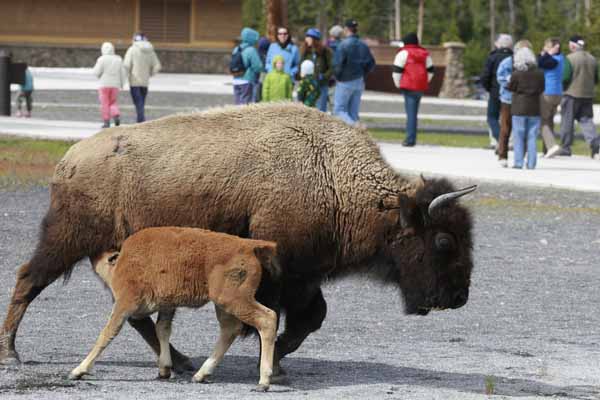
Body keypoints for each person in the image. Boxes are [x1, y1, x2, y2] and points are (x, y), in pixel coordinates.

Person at [558, 35, 600, 159]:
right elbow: (597, 78)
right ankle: (595, 144)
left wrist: (562, 87)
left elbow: (565, 77)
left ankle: (566, 147)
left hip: (571, 94)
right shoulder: (593, 59)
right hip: (587, 95)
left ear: (572, 45)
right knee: (586, 121)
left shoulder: (569, 58)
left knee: (567, 121)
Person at [392, 32, 434, 147]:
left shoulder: (403, 53)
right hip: (420, 87)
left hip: (408, 86)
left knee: (411, 114)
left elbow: (396, 71)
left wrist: (397, 84)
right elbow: (431, 70)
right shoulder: (425, 54)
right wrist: (425, 81)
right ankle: (411, 137)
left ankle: (410, 139)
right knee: (414, 113)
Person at [506, 47, 545, 169]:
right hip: (534, 108)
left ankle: (518, 162)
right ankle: (532, 163)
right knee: (532, 137)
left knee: (518, 136)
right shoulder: (540, 73)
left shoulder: (516, 74)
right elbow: (542, 89)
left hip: (519, 108)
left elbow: (511, 88)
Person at [333, 19, 375, 126]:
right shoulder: (363, 45)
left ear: (346, 29)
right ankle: (356, 137)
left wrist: (336, 77)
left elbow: (337, 64)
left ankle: (356, 127)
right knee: (353, 113)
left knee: (339, 110)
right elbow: (371, 63)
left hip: (345, 81)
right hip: (359, 81)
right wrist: (363, 74)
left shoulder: (343, 45)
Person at [496, 40, 531, 167]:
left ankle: (521, 155)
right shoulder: (507, 62)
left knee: (522, 129)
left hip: (523, 100)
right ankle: (502, 155)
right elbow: (500, 78)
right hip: (508, 99)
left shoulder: (530, 65)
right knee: (505, 128)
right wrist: (512, 84)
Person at [480, 34, 513, 150]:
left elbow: (485, 76)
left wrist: (489, 88)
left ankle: (501, 140)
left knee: (492, 117)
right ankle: (506, 141)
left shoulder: (493, 57)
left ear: (498, 44)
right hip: (511, 92)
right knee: (508, 118)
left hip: (495, 92)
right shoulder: (514, 57)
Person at [123, 33, 161, 123]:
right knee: (141, 103)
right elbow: (157, 66)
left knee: (138, 103)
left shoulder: (132, 50)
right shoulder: (150, 51)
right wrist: (150, 74)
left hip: (134, 81)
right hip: (145, 82)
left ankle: (141, 120)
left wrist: (125, 76)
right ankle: (140, 119)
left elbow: (126, 65)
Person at [537, 38, 564, 158]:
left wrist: (547, 53)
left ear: (555, 47)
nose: (545, 49)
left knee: (542, 121)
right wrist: (545, 53)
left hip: (548, 93)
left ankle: (552, 145)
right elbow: (541, 60)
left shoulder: (554, 60)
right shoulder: (561, 58)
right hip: (557, 93)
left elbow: (539, 63)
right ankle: (547, 150)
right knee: (549, 121)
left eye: (547, 46)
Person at [93, 42, 127, 128]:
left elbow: (96, 72)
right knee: (113, 102)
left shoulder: (102, 59)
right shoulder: (118, 59)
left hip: (104, 85)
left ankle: (106, 122)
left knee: (105, 103)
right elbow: (122, 73)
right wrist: (122, 84)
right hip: (115, 85)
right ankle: (116, 115)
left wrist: (99, 76)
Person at [300, 28, 333, 112]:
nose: (306, 39)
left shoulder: (326, 51)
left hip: (321, 85)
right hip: (307, 86)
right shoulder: (305, 51)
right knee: (306, 110)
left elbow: (332, 68)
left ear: (315, 39)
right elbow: (300, 65)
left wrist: (324, 76)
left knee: (320, 110)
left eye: (309, 37)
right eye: (306, 36)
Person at [231, 27, 263, 105]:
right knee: (246, 104)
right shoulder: (251, 50)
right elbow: (258, 66)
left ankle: (237, 117)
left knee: (238, 103)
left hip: (236, 80)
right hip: (247, 80)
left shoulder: (236, 49)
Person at [253, 36, 272, 103]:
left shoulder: (257, 52)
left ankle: (257, 102)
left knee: (257, 90)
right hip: (265, 74)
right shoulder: (269, 53)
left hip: (257, 75)